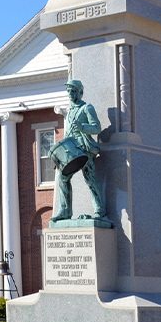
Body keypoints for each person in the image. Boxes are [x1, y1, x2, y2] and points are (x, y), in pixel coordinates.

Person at [50, 80, 108, 221]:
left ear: (80, 92)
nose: (70, 93)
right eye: (69, 91)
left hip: (84, 148)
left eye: (73, 91)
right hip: (71, 148)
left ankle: (99, 210)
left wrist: (82, 126)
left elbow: (97, 128)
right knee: (62, 177)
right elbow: (68, 134)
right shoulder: (70, 111)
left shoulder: (87, 108)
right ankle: (65, 210)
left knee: (90, 178)